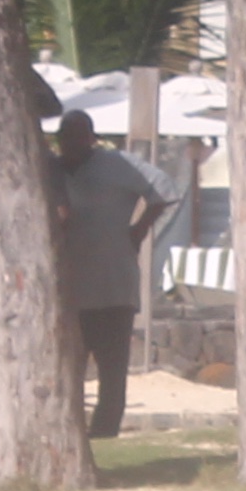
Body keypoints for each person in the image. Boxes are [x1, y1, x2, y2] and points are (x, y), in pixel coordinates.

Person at [45, 110, 166, 439]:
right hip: (70, 290)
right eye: (65, 137)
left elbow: (163, 189)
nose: (71, 144)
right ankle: (68, 431)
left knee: (112, 371)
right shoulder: (51, 170)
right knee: (69, 367)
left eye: (78, 137)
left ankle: (104, 432)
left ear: (91, 138)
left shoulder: (117, 164)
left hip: (113, 285)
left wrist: (139, 229)